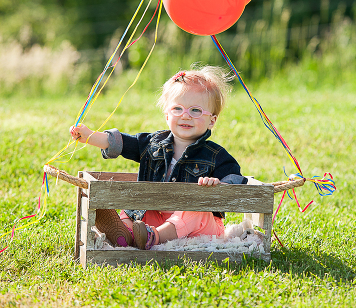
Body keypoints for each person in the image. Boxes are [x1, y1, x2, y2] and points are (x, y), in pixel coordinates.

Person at [70, 65, 248, 250]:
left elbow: (234, 176)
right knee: (132, 210)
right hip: (156, 216)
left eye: (195, 111)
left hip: (199, 226)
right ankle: (127, 235)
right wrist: (90, 136)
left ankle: (154, 237)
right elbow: (123, 142)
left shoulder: (215, 155)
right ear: (167, 114)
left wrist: (220, 186)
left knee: (196, 210)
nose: (185, 116)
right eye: (177, 108)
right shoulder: (152, 144)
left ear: (212, 120)